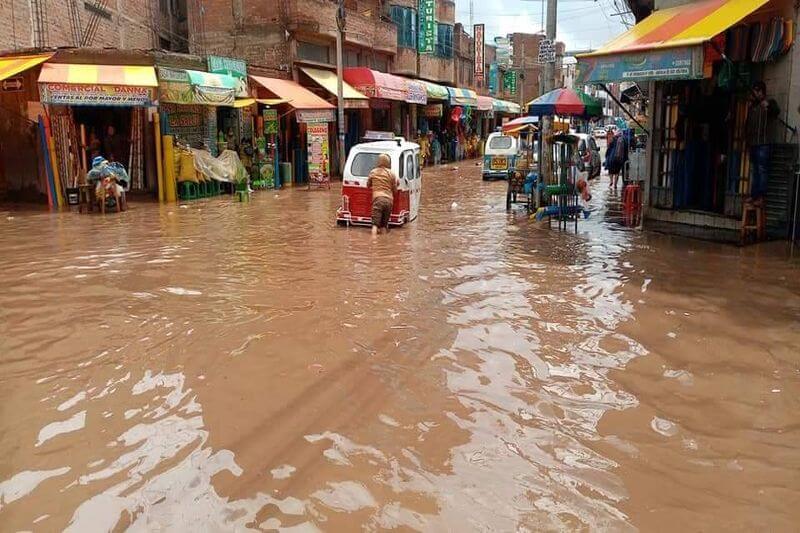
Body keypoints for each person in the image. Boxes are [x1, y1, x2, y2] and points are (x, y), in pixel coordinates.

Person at [746, 81, 779, 205]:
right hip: (753, 143)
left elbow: (776, 112)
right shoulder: (752, 107)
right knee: (755, 171)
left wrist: (769, 107)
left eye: (757, 91)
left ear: (762, 92)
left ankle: (761, 196)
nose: (755, 93)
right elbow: (747, 125)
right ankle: (754, 195)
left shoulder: (769, 103)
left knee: (762, 170)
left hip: (764, 143)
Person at [366, 153, 399, 236]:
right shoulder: (392, 174)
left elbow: (368, 185)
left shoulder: (373, 172)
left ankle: (374, 243)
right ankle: (384, 244)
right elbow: (395, 190)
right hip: (389, 201)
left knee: (375, 225)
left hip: (378, 199)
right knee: (384, 226)